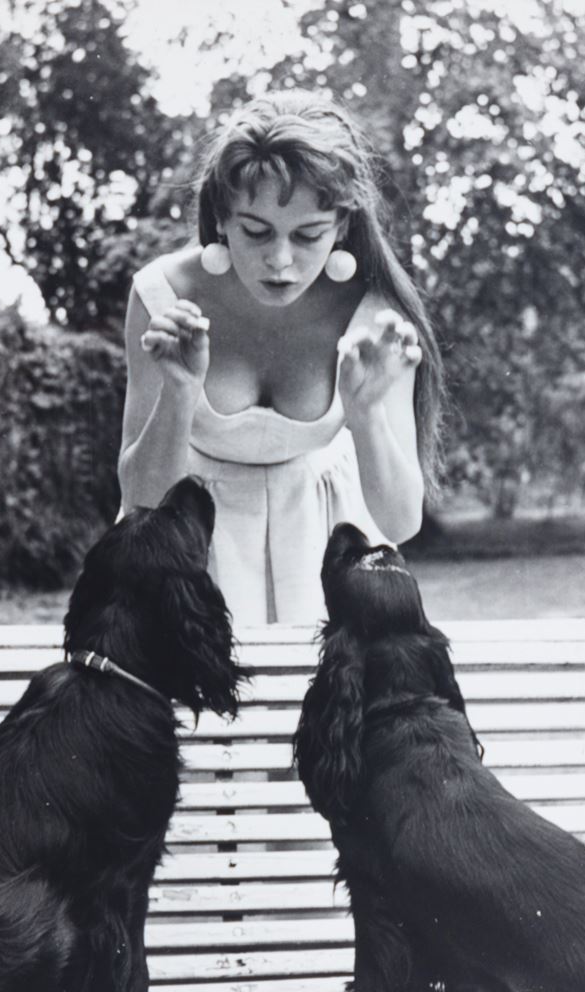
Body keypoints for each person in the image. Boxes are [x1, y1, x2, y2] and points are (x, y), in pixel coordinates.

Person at [117, 90, 444, 625]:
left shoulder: (375, 315)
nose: (280, 260)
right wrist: (178, 391)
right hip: (186, 568)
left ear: (342, 225)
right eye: (256, 231)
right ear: (222, 218)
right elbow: (139, 504)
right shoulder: (161, 296)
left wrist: (365, 415)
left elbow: (401, 520)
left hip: (324, 564)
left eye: (308, 235)